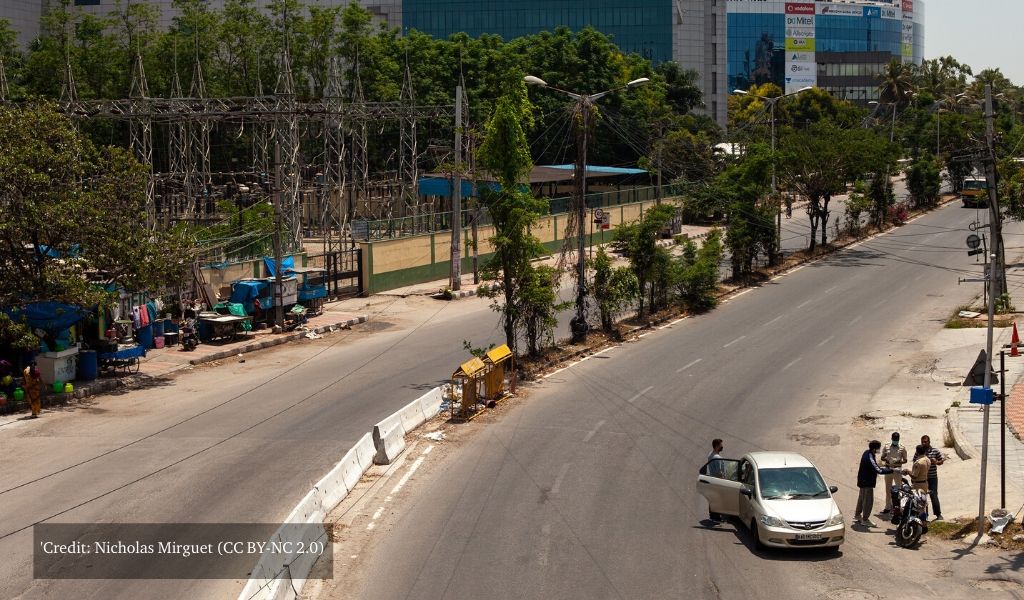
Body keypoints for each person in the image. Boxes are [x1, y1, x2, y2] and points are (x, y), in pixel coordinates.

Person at [854, 440, 893, 527]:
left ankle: (857, 515)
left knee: (861, 499)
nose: (879, 450)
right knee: (868, 501)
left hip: (862, 480)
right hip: (867, 482)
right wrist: (891, 470)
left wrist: (884, 467)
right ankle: (865, 519)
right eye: (878, 448)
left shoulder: (867, 452)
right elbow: (878, 470)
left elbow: (875, 466)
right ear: (875, 448)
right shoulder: (869, 457)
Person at [880, 432, 907, 513]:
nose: (895, 441)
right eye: (894, 439)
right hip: (888, 469)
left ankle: (898, 508)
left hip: (897, 469)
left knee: (898, 489)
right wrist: (887, 460)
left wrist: (899, 461)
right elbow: (882, 457)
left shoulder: (902, 448)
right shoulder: (886, 446)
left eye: (897, 440)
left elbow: (905, 460)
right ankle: (887, 507)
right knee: (888, 489)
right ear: (892, 439)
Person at [921, 435, 944, 520]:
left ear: (929, 442)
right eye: (922, 442)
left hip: (932, 477)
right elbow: (915, 461)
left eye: (925, 442)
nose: (924, 443)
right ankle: (922, 516)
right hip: (922, 478)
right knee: (921, 497)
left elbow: (941, 461)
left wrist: (937, 462)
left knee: (934, 495)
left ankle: (938, 514)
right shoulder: (920, 451)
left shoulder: (935, 451)